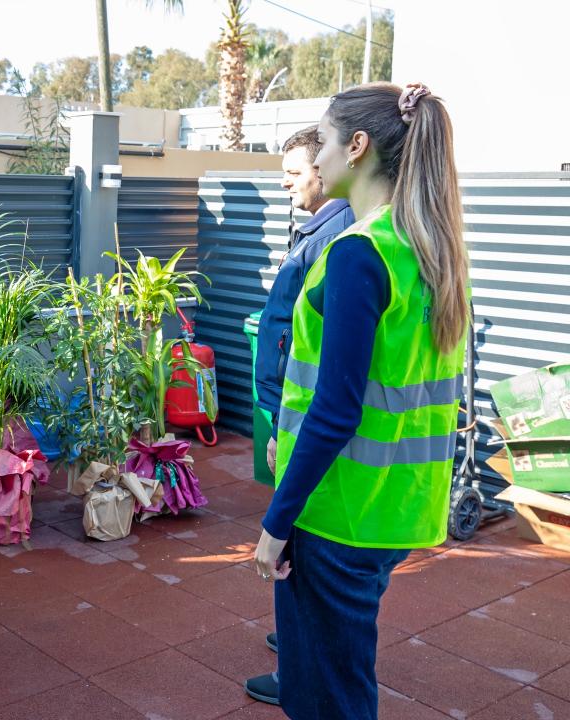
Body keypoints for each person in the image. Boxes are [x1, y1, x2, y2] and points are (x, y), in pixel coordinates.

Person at [252, 82, 470, 720]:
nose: (313, 157)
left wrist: (276, 522)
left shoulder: (356, 254)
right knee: (338, 677)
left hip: (335, 513)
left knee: (328, 698)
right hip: (394, 510)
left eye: (320, 140)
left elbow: (336, 409)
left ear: (358, 146)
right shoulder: (429, 249)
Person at [244, 125, 355, 706]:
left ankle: (298, 669)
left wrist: (283, 428)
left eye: (294, 172)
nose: (285, 183)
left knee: (298, 554)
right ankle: (295, 649)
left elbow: (320, 366)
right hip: (290, 412)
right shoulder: (315, 230)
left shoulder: (340, 243)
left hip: (303, 420)